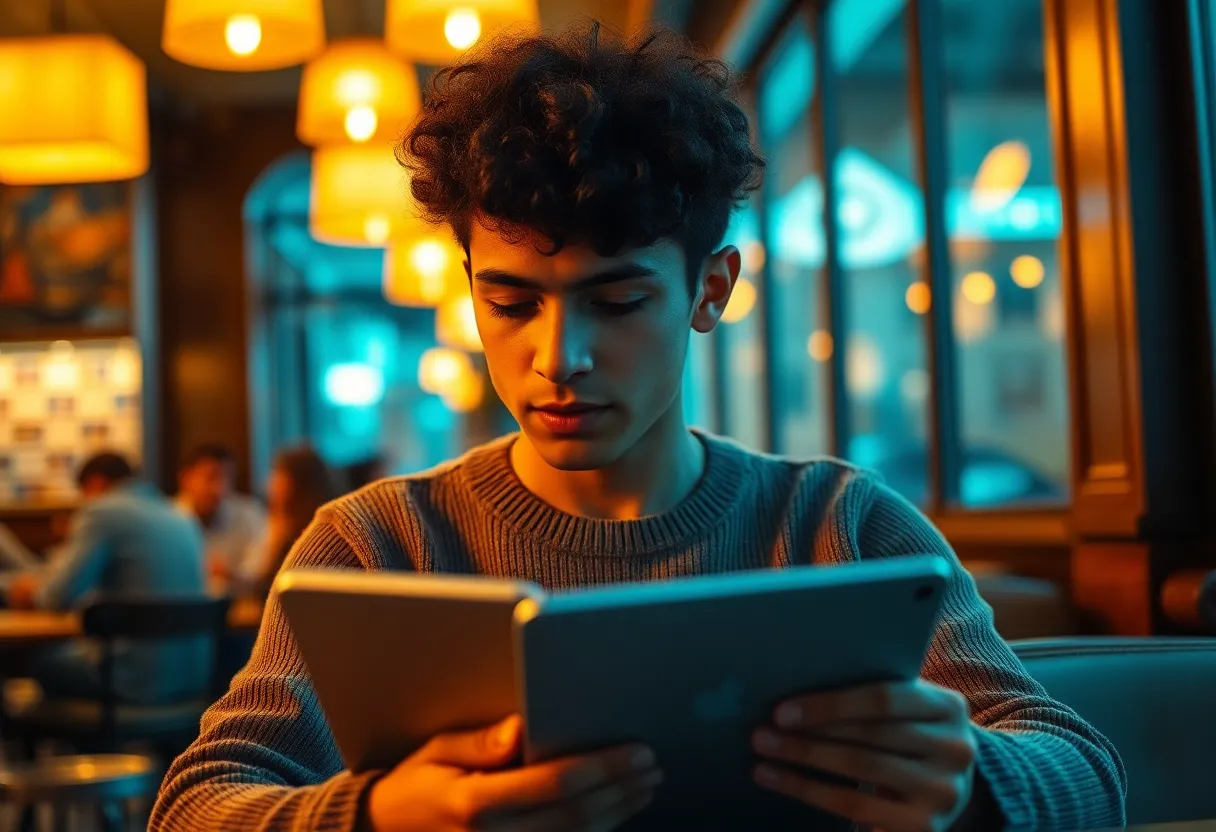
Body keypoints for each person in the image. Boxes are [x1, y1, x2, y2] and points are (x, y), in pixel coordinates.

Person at [151, 23, 1125, 832]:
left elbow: (1084, 768)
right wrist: (376, 815)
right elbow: (192, 805)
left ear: (710, 289)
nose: (557, 357)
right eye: (512, 303)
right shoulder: (374, 544)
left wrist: (974, 782)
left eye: (615, 303)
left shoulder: (833, 524)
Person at [7, 453, 209, 704]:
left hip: (133, 681)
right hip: (191, 681)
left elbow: (57, 597)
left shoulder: (102, 511)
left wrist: (29, 591)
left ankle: (78, 742)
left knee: (41, 663)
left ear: (96, 484)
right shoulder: (181, 516)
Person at [247, 445, 339, 597]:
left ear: (295, 483)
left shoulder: (307, 533)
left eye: (277, 475)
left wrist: (275, 543)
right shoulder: (283, 524)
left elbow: (271, 593)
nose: (270, 484)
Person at [176, 443, 267, 595]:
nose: (221, 488)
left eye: (228, 478)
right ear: (186, 479)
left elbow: (259, 575)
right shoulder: (167, 522)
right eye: (211, 477)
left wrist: (230, 574)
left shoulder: (249, 515)